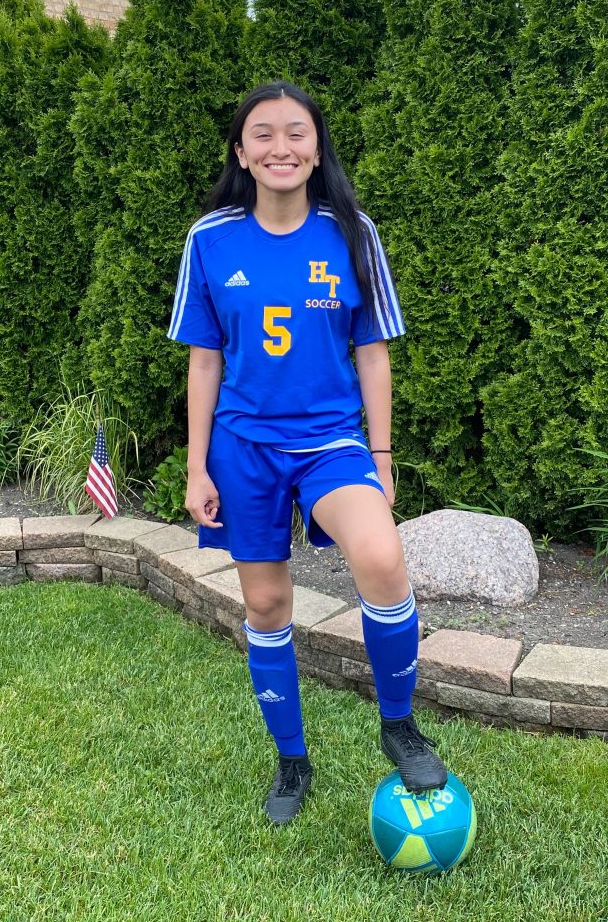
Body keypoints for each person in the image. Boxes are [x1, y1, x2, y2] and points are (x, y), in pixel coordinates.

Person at [168, 81, 448, 825]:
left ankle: (398, 724)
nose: (281, 147)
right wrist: (197, 467)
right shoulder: (210, 239)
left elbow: (375, 353)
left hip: (331, 443)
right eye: (263, 134)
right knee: (266, 603)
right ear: (242, 152)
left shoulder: (352, 232)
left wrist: (381, 456)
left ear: (317, 148)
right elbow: (203, 362)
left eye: (297, 133)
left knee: (382, 558)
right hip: (244, 448)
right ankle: (292, 761)